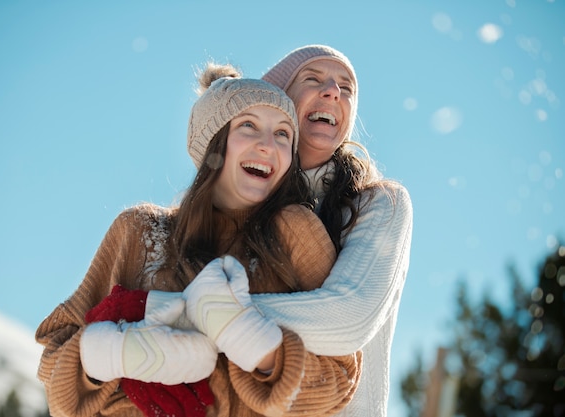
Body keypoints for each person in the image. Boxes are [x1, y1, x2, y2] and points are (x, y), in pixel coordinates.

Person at [35, 63, 361, 417]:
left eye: (283, 134)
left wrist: (251, 341)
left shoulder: (296, 231)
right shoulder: (140, 231)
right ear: (212, 144)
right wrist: (111, 353)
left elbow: (341, 373)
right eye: (248, 126)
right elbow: (54, 363)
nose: (268, 145)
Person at [149, 44, 413, 416]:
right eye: (313, 79)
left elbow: (348, 319)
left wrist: (183, 316)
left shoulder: (379, 204)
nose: (334, 92)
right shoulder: (229, 210)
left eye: (346, 88)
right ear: (278, 101)